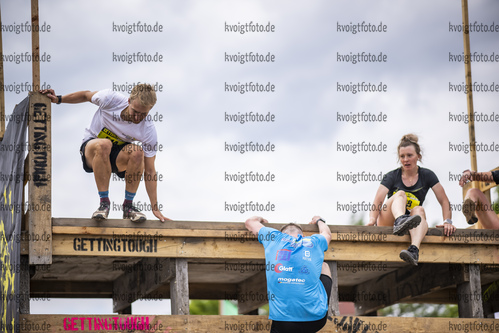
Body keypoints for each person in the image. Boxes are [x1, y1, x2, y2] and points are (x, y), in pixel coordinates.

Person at [40, 84, 168, 222]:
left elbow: (149, 171)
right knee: (104, 144)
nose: (137, 118)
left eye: (143, 114)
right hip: (93, 148)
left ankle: (128, 207)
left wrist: (155, 207)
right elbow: (85, 95)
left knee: (137, 152)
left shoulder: (148, 130)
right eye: (135, 111)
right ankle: (104, 203)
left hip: (117, 156)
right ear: (129, 101)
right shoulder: (110, 99)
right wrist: (58, 99)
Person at [367, 134, 455, 266]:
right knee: (400, 194)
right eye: (402, 156)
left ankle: (414, 249)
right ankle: (400, 220)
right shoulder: (391, 176)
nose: (405, 160)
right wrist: (372, 220)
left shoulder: (427, 175)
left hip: (411, 226)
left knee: (419, 210)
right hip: (389, 221)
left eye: (409, 155)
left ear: (418, 156)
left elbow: (444, 200)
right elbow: (377, 201)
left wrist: (447, 221)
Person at [245, 215, 332, 333]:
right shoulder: (313, 241)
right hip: (316, 320)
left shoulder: (274, 238)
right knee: (324, 265)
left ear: (282, 233)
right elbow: (326, 233)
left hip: (284, 323)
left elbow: (250, 222)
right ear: (302, 235)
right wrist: (318, 220)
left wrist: (261, 219)